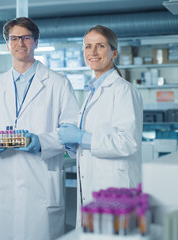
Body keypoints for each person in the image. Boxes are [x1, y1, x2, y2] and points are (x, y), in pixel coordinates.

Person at [0, 17, 79, 240]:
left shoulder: (58, 83)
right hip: (7, 181)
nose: (20, 43)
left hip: (41, 182)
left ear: (36, 42)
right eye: (14, 38)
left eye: (26, 38)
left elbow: (71, 128)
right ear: (7, 44)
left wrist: (42, 142)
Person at [57, 25, 143, 227]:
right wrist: (73, 145)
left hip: (115, 187)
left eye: (100, 46)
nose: (93, 52)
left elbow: (127, 142)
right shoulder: (91, 91)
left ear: (114, 53)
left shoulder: (123, 91)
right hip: (94, 184)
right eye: (88, 47)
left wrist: (81, 137)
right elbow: (95, 139)